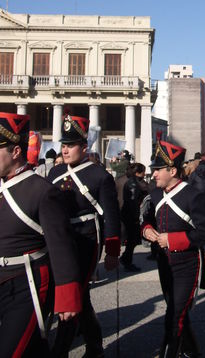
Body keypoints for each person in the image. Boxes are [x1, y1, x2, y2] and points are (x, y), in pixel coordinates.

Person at [0, 112, 82, 357]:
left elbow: (61, 244)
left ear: (15, 152)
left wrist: (68, 295)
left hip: (28, 282)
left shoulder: (42, 191)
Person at [48, 114, 121, 357]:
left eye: (70, 145)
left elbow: (111, 216)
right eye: (64, 145)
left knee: (75, 294)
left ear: (84, 147)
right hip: (61, 240)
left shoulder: (100, 176)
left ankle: (60, 350)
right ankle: (95, 342)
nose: (65, 150)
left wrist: (111, 252)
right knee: (81, 297)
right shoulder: (54, 173)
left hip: (88, 239)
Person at [142, 138, 205, 357]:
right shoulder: (155, 195)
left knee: (174, 316)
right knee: (177, 310)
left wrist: (173, 240)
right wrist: (146, 230)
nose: (153, 174)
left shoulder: (194, 196)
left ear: (172, 171)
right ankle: (192, 351)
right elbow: (145, 219)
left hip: (187, 264)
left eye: (158, 170)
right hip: (164, 263)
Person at [120, 162, 149, 272]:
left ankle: (126, 258)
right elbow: (132, 202)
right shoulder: (132, 184)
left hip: (129, 214)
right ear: (137, 173)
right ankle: (127, 260)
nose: (144, 174)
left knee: (132, 240)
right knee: (132, 240)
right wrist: (136, 217)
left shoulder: (132, 182)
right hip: (131, 215)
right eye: (143, 172)